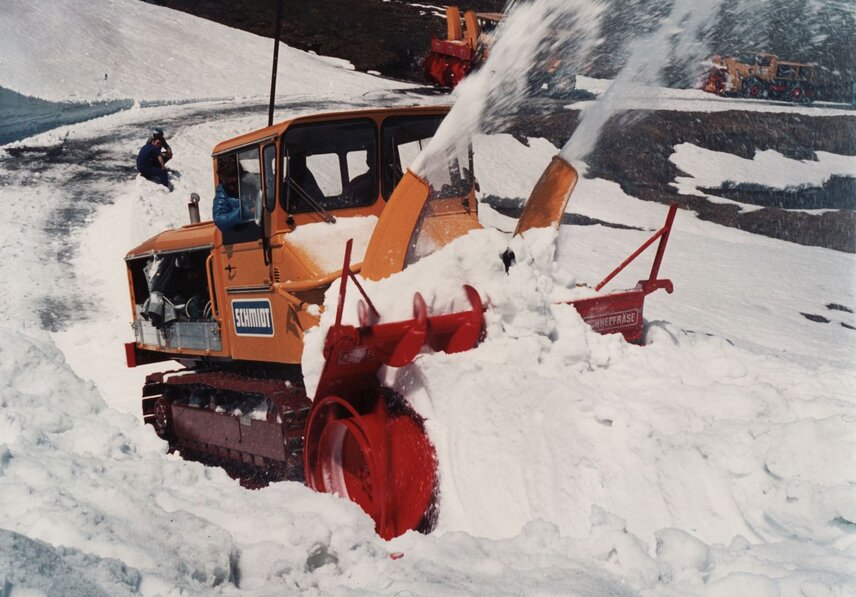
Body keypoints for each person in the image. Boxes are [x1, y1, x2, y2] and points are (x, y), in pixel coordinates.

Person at [212, 164, 242, 231]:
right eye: (227, 184)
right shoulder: (222, 191)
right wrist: (243, 212)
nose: (231, 187)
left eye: (234, 182)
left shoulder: (251, 182)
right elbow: (219, 219)